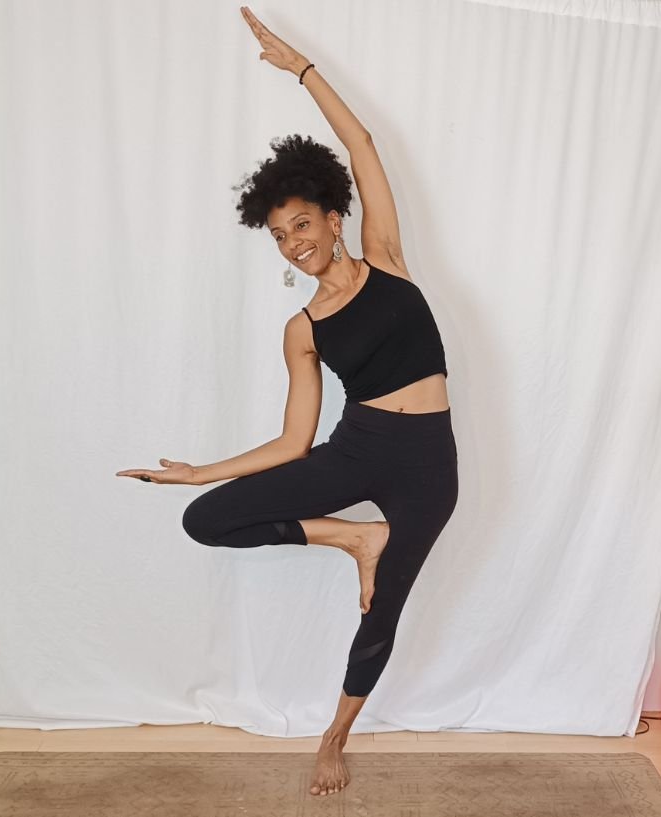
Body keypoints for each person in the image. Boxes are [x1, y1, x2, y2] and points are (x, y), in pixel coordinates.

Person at [116, 6, 459, 798]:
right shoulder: (300, 328)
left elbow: (364, 146)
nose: (293, 241)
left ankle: (335, 735)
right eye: (277, 233)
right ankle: (351, 539)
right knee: (206, 520)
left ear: (335, 219)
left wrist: (301, 69)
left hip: (428, 463)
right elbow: (292, 442)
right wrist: (198, 472)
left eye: (301, 223)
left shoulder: (386, 258)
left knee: (386, 611)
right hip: (358, 447)